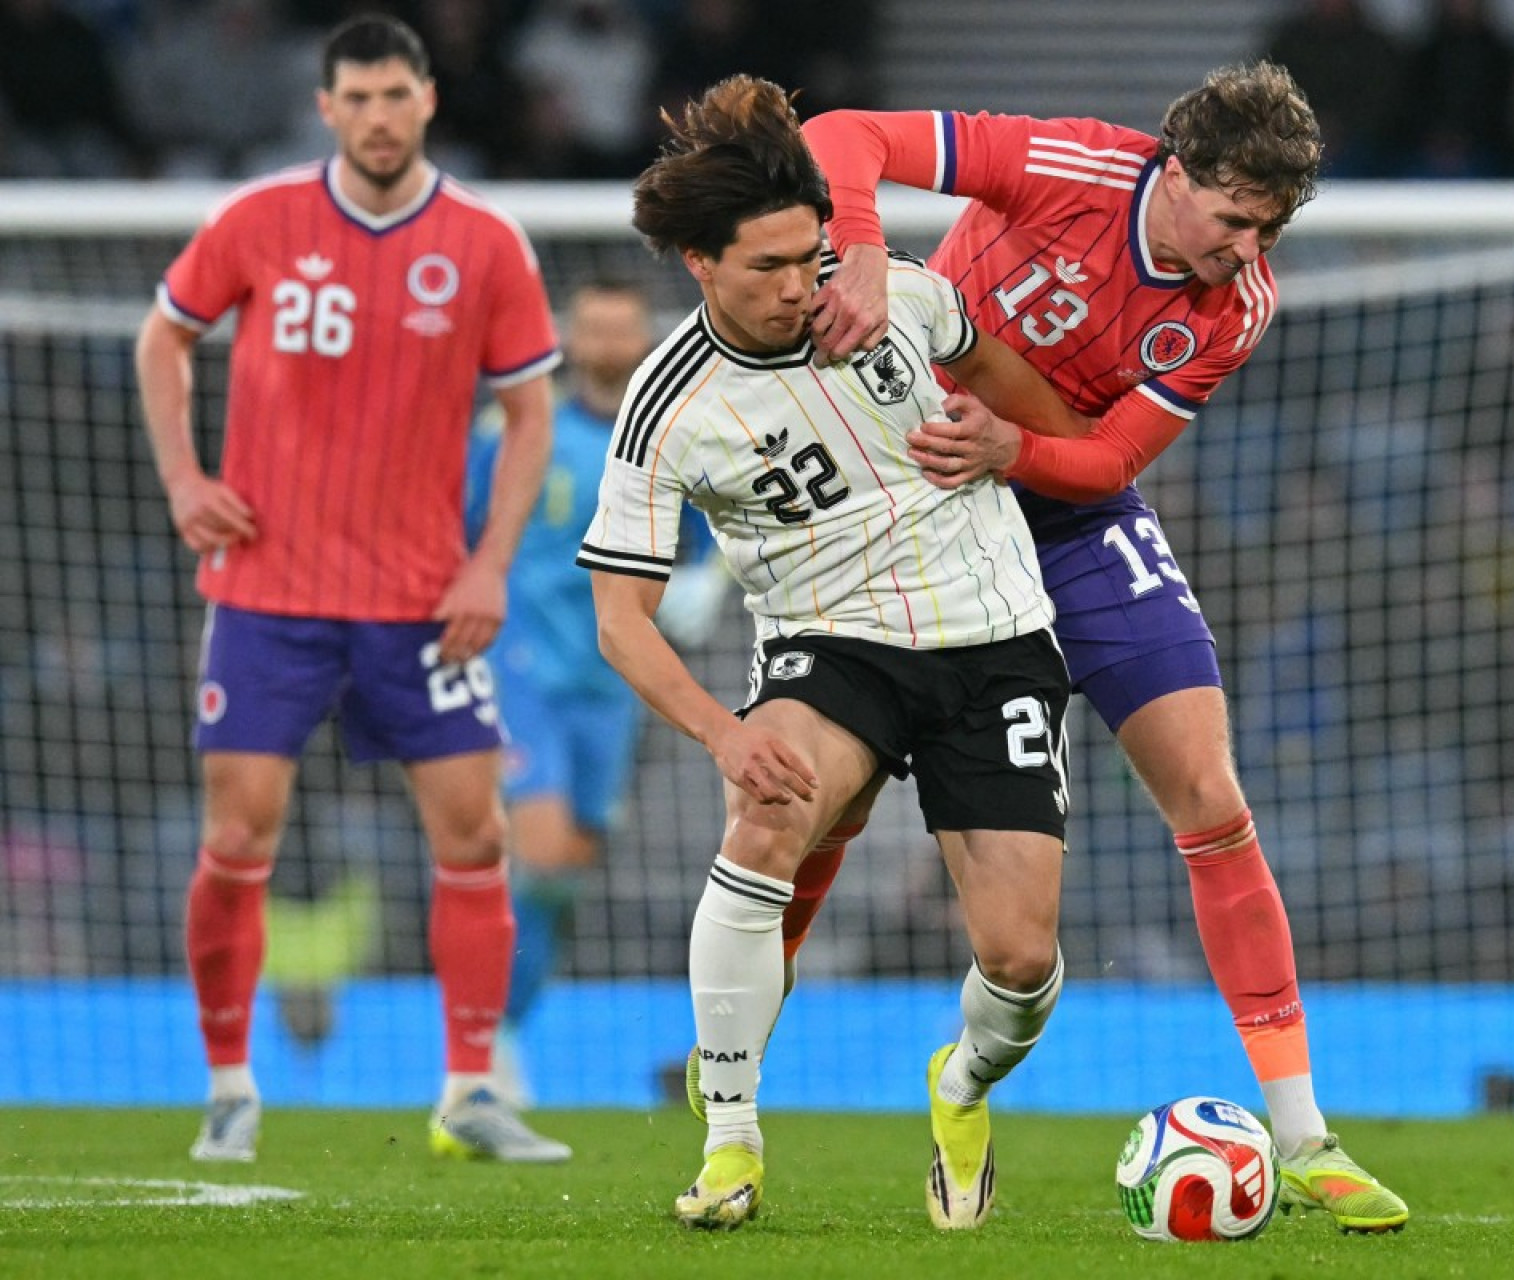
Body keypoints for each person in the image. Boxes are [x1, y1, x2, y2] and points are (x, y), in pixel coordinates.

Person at [784, 62, 1410, 1232]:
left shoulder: (1239, 305)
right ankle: (735, 1086)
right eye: (1234, 218)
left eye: (1269, 229)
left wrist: (1013, 448)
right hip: (923, 506)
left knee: (1211, 793)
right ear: (1176, 173)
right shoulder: (1064, 164)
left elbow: (1112, 460)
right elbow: (844, 134)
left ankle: (1305, 1134)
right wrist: (860, 250)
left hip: (1067, 510)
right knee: (832, 802)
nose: (1247, 250)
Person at [581, 74, 1085, 1231]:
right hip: (832, 645)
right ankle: (729, 1140)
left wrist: (1010, 442)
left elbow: (1033, 407)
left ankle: (961, 1083)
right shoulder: (668, 404)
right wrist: (725, 733)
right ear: (700, 263)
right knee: (766, 815)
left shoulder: (896, 296)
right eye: (766, 267)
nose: (799, 287)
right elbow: (620, 617)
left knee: (1020, 959)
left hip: (995, 633)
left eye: (811, 257)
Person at [134, 14, 569, 1164]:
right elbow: (163, 337)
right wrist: (184, 479)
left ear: (427, 100)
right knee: (239, 831)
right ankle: (229, 1085)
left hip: (422, 598)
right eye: (358, 98)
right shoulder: (258, 218)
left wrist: (487, 563)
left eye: (395, 95)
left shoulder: (486, 243)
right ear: (327, 108)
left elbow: (530, 414)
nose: (378, 117)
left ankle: (469, 1091)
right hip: (267, 590)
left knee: (475, 833)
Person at [467, 278, 730, 1107]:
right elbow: (461, 535)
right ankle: (478, 1023)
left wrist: (705, 579)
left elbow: (710, 533)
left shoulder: (669, 435)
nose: (608, 344)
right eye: (594, 329)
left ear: (643, 339)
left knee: (558, 878)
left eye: (622, 330)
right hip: (521, 667)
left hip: (613, 684)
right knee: (540, 850)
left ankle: (503, 1030)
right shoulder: (519, 431)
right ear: (571, 340)